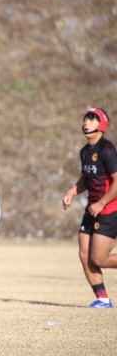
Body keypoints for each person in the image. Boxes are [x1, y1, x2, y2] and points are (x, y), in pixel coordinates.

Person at [63, 108, 117, 308]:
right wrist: (71, 193)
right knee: (84, 255)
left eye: (92, 120)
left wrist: (102, 203)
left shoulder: (107, 149)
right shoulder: (85, 151)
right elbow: (86, 179)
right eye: (85, 119)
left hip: (108, 210)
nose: (86, 123)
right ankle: (102, 299)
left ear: (102, 125)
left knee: (99, 259)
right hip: (92, 210)